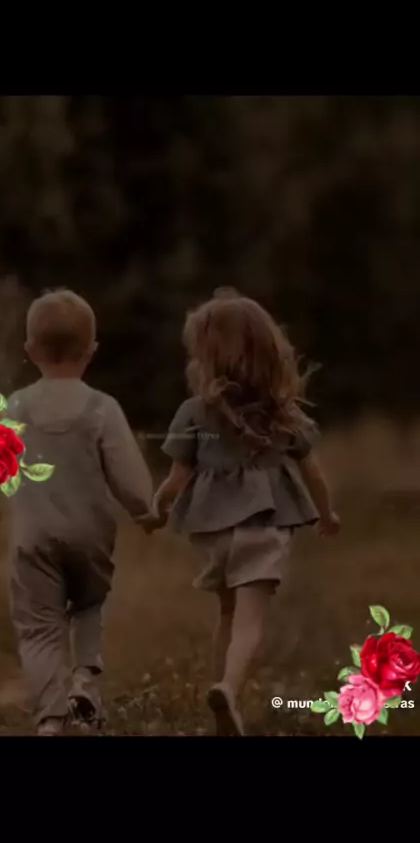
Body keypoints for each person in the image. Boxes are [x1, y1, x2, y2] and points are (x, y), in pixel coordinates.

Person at [146, 287, 340, 736]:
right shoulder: (284, 416)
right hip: (264, 528)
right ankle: (228, 688)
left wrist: (158, 509)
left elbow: (175, 480)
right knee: (249, 623)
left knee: (227, 614)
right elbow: (313, 475)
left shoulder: (193, 413)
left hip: (212, 532)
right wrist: (327, 515)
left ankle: (220, 696)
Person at [7, 289, 155, 736]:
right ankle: (85, 680)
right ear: (91, 350)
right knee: (89, 604)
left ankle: (51, 719)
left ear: (30, 350)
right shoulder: (101, 408)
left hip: (33, 536)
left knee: (39, 628)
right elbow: (130, 477)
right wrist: (145, 511)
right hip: (91, 535)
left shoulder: (15, 407)